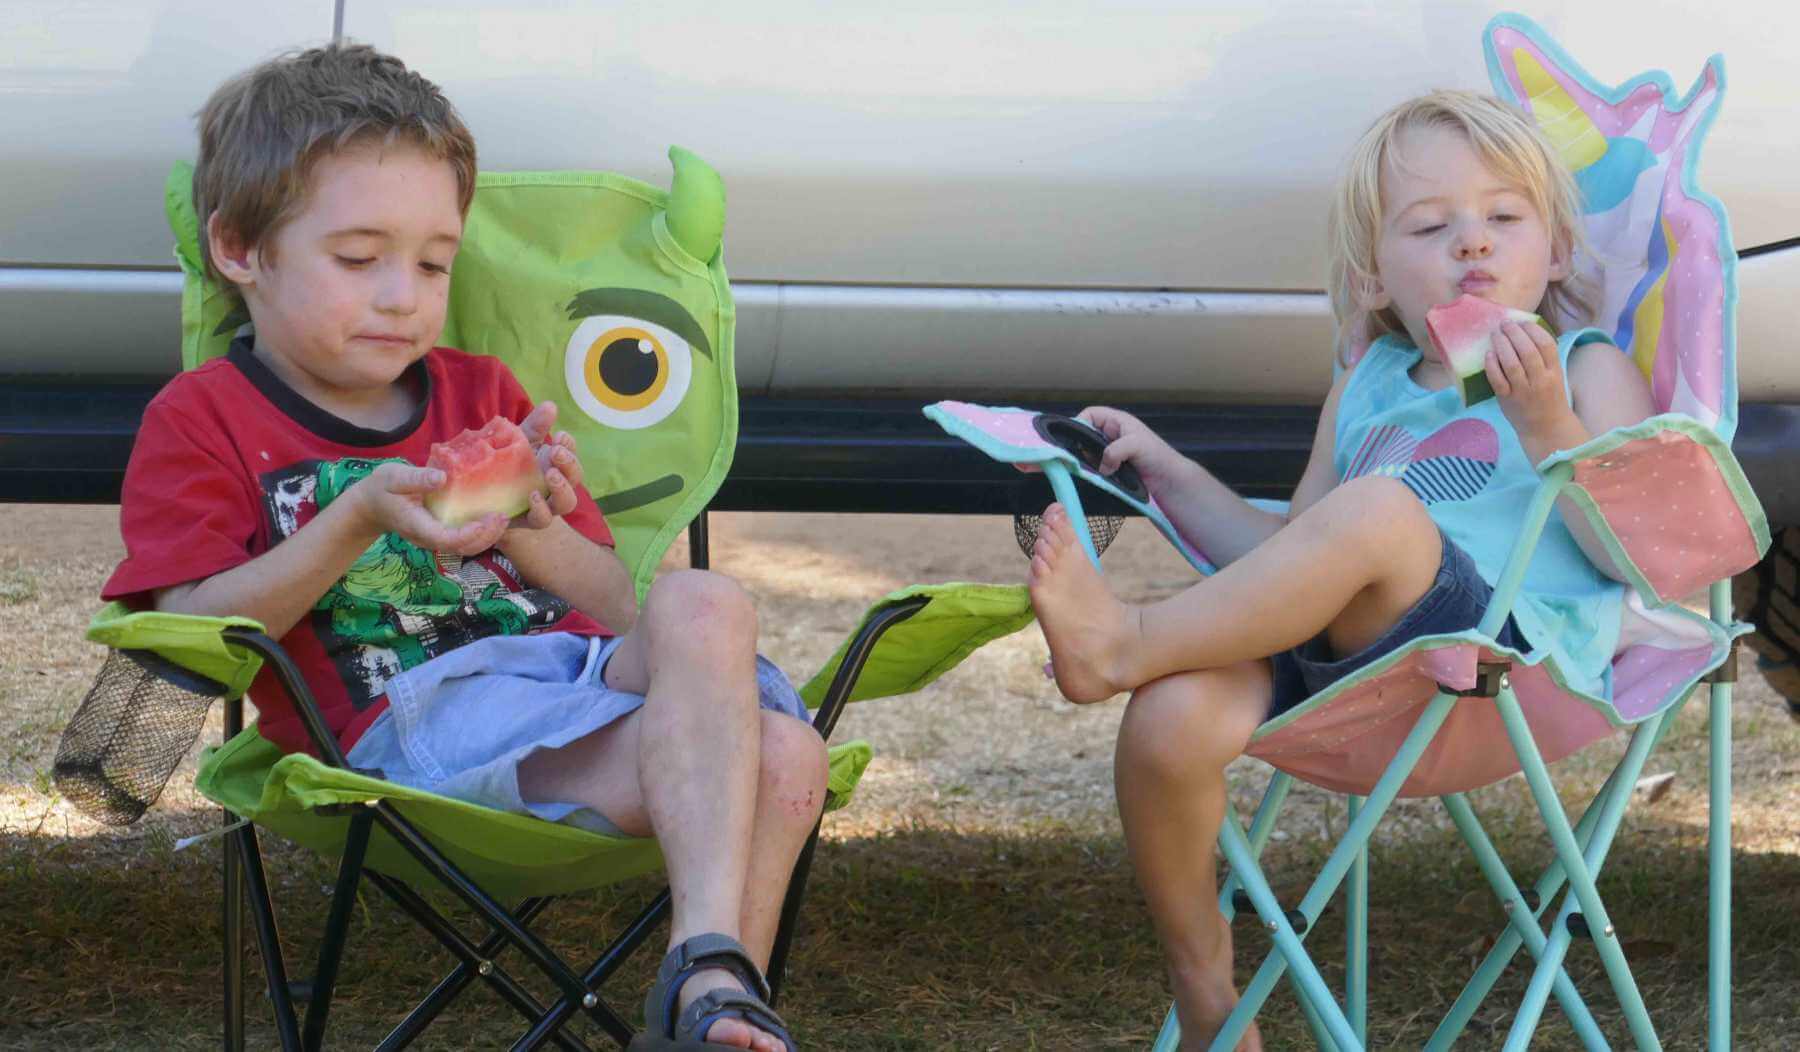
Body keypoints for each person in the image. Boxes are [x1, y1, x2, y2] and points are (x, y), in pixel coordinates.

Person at [102, 43, 816, 1052]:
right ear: (239, 249)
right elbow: (180, 631)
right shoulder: (205, 416)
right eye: (359, 259)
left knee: (708, 603)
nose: (404, 294)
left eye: (435, 262)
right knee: (785, 751)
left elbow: (618, 607)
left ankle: (709, 974)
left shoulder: (484, 393)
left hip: (575, 677)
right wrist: (353, 521)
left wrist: (535, 527)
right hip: (411, 725)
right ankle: (715, 1000)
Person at [1025, 90, 1657, 1050]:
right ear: (1372, 280)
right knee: (1170, 722)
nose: (1473, 245)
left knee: (1380, 510)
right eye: (1433, 226)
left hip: (1497, 660)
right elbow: (1290, 552)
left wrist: (1546, 427)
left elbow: (1633, 555)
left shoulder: (1585, 367)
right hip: (1350, 660)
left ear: (1556, 251)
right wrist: (1169, 470)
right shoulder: (1365, 385)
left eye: (1503, 218)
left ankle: (1126, 641)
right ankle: (1211, 1004)